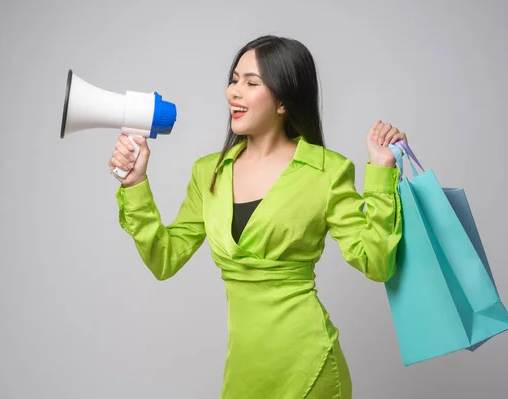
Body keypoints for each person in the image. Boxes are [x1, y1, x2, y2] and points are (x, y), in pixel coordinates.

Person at [108, 35, 407, 399]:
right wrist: (136, 182)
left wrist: (381, 174)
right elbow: (164, 258)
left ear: (283, 101)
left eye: (251, 83)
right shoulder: (210, 172)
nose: (235, 92)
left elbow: (377, 263)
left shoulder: (327, 171)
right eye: (234, 80)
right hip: (245, 373)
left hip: (310, 366)